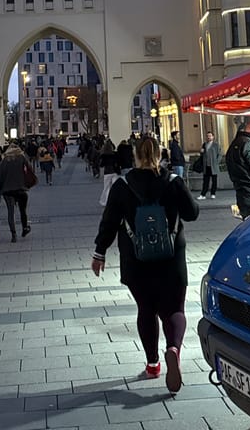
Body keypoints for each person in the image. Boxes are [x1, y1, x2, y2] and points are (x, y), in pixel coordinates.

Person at [91, 137, 199, 392]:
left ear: (135, 157)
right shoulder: (173, 181)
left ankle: (153, 364)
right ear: (160, 154)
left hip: (135, 259)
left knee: (146, 310)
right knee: (174, 309)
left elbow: (109, 221)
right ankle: (173, 347)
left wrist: (99, 252)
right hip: (171, 257)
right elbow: (192, 213)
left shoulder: (122, 185)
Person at [0, 143, 34, 241]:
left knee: (10, 212)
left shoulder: (5, 160)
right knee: (22, 210)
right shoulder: (21, 157)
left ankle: (13, 234)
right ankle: (25, 227)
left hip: (7, 190)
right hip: (20, 188)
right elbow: (29, 168)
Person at [197, 131, 222, 200]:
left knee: (214, 181)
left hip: (213, 166)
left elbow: (220, 154)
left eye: (210, 136)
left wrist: (217, 162)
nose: (208, 137)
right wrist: (201, 152)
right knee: (205, 181)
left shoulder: (216, 145)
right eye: (208, 136)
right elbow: (202, 154)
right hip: (206, 166)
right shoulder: (204, 144)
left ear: (213, 137)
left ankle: (213, 193)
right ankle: (203, 194)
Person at [99, 138, 120, 206]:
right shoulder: (115, 154)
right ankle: (116, 201)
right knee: (115, 187)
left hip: (107, 172)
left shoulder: (104, 156)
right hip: (114, 172)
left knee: (106, 187)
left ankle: (104, 201)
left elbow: (101, 165)